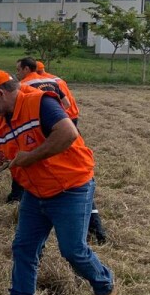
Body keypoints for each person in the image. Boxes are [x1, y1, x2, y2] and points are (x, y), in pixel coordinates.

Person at [0, 70, 115, 295]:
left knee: (73, 251)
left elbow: (68, 133)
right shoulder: (0, 127)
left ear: (0, 93)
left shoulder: (41, 103)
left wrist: (30, 157)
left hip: (71, 187)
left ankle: (103, 285)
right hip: (35, 194)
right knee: (24, 247)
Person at [14, 57, 107, 244]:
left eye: (18, 69)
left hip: (49, 131)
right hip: (69, 125)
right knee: (79, 175)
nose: (17, 73)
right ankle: (96, 227)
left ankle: (24, 199)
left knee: (61, 176)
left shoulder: (24, 86)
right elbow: (66, 105)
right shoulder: (56, 80)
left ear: (27, 69)